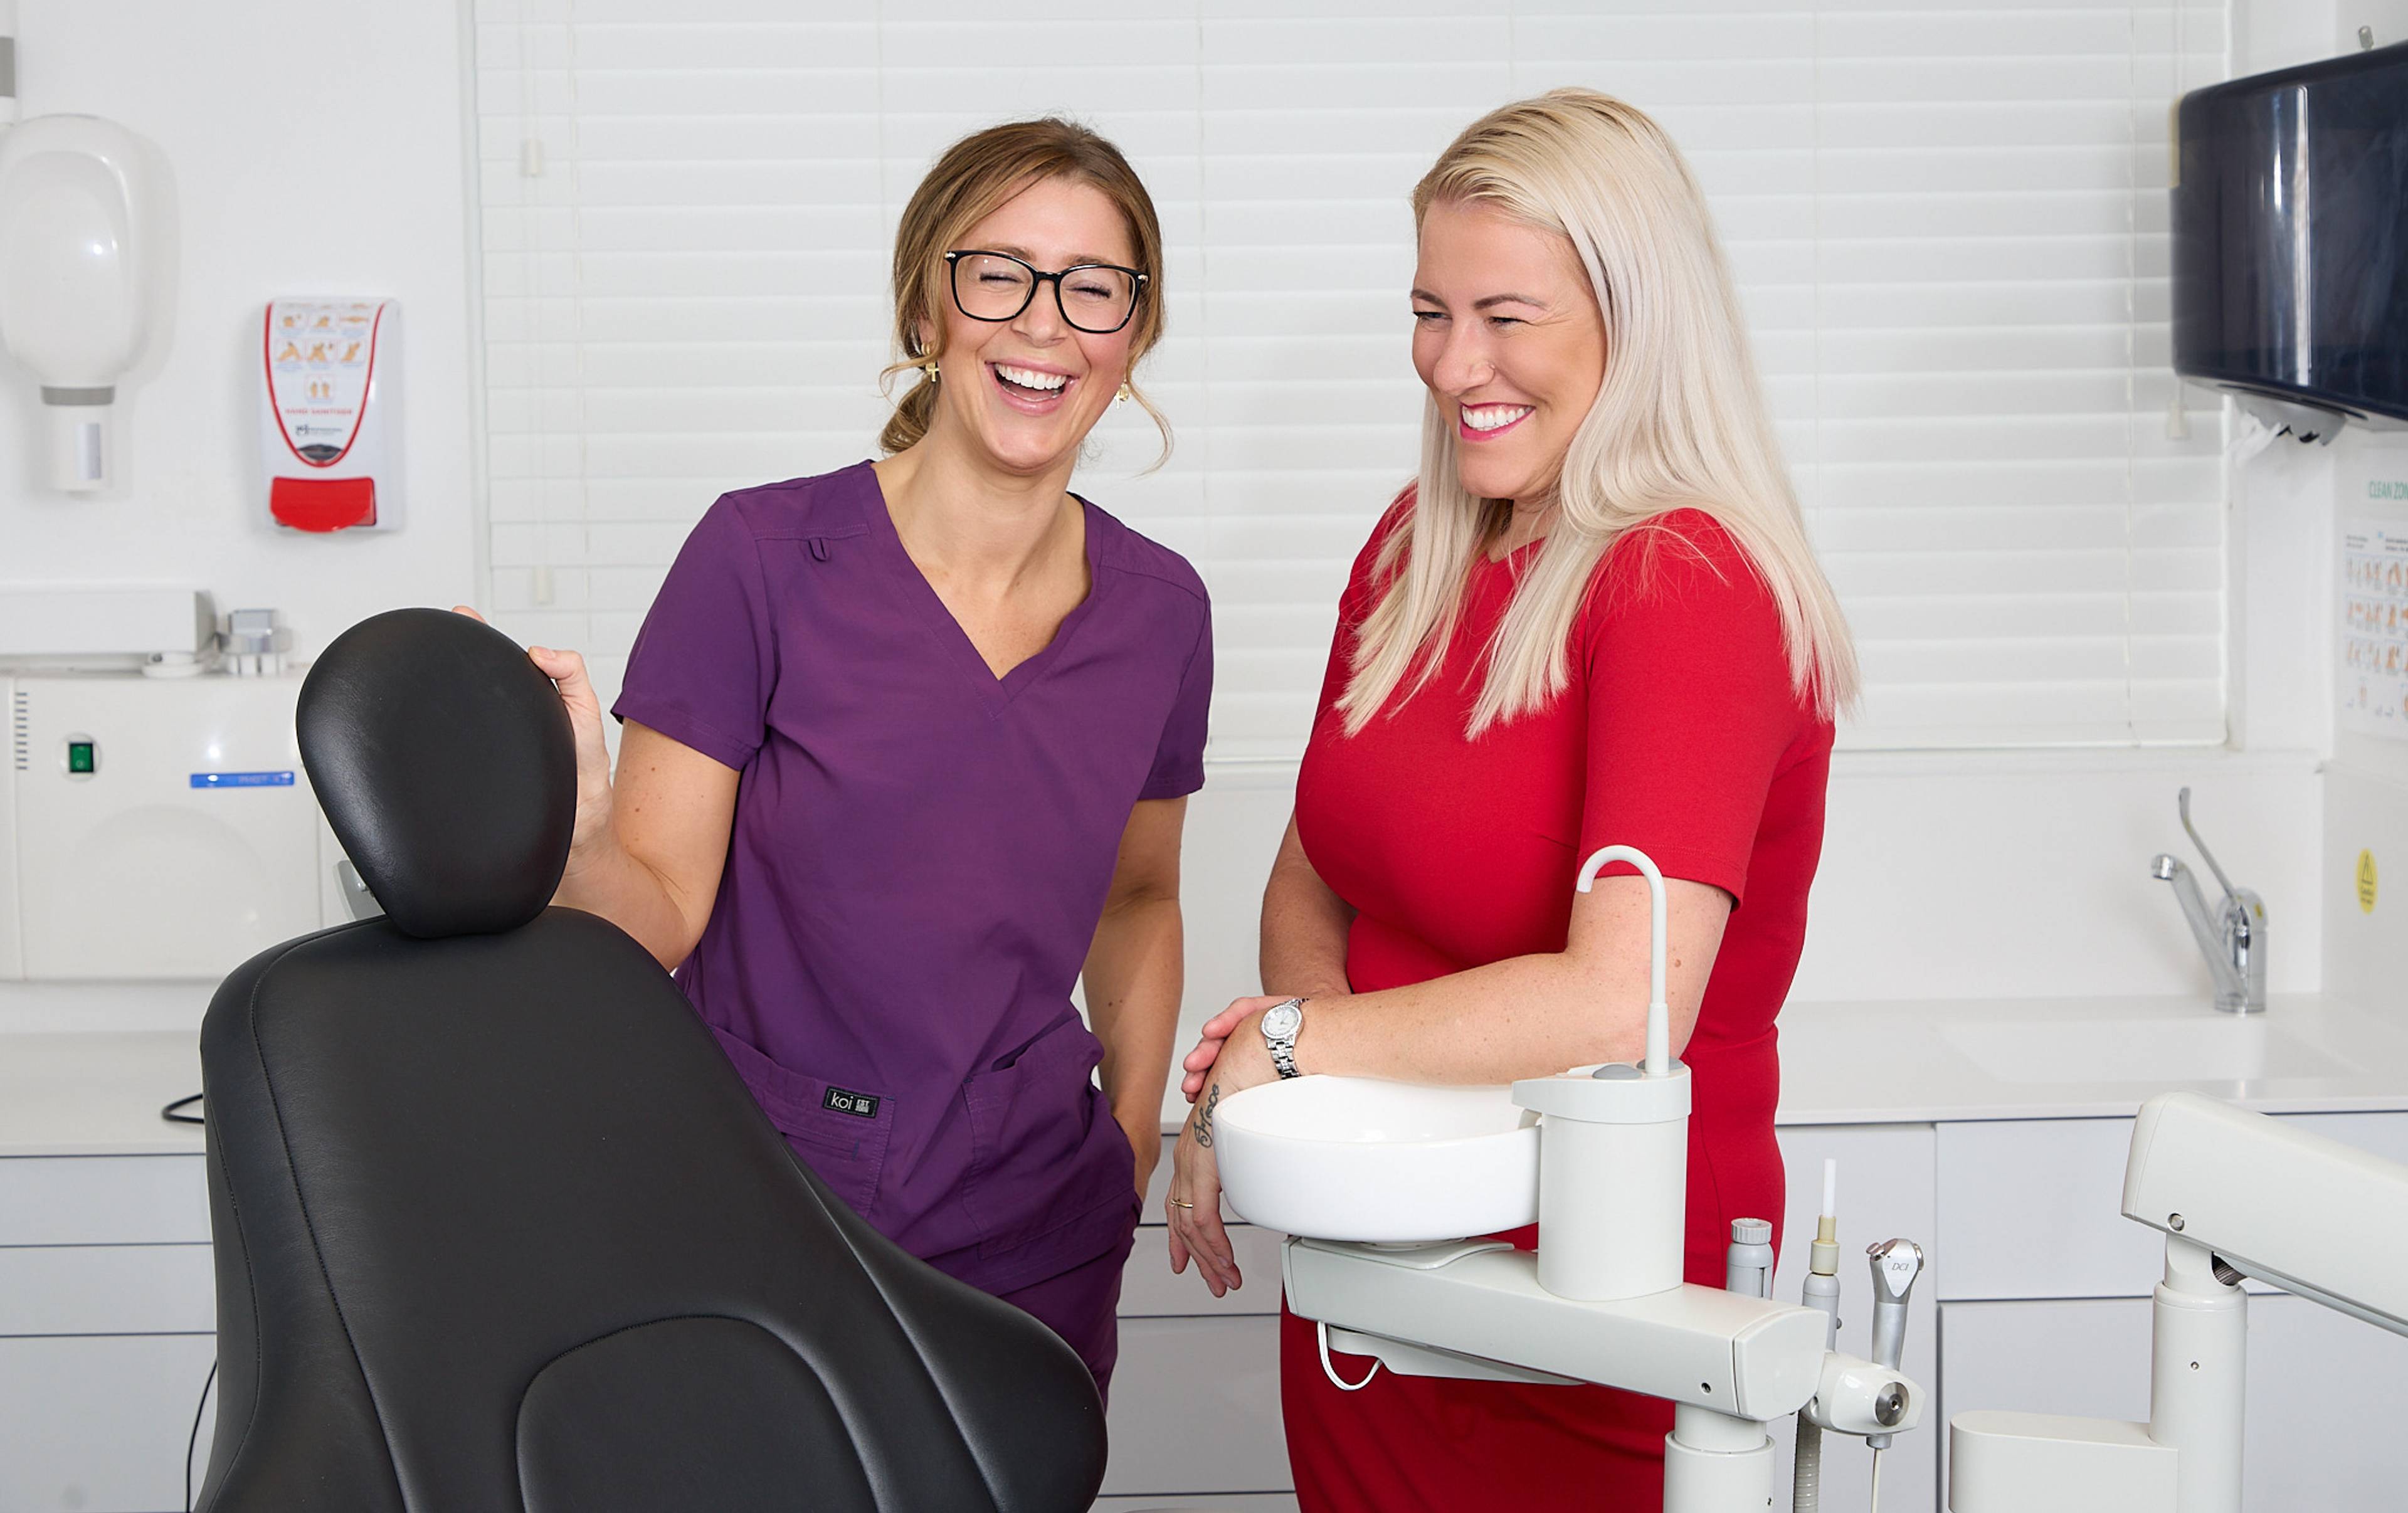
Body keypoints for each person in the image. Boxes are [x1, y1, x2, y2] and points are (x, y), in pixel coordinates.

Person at [1164, 88, 1858, 1506]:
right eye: (1431, 309)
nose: (1453, 363)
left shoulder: (1688, 583)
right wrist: (1311, 1124)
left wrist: (1293, 1048)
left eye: (1506, 315)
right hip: (1380, 1265)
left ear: (1634, 317)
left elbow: (1625, 1001)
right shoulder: (1416, 545)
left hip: (1592, 1297)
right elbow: (1317, 865)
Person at [488, 118, 1210, 1401]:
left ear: (1132, 338)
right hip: (756, 1208)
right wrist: (582, 834)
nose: (1045, 324)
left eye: (1094, 287)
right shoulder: (759, 561)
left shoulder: (1160, 610)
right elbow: (654, 911)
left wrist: (1131, 1140)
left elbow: (1139, 893)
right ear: (929, 304)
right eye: (1000, 273)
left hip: (1035, 1229)